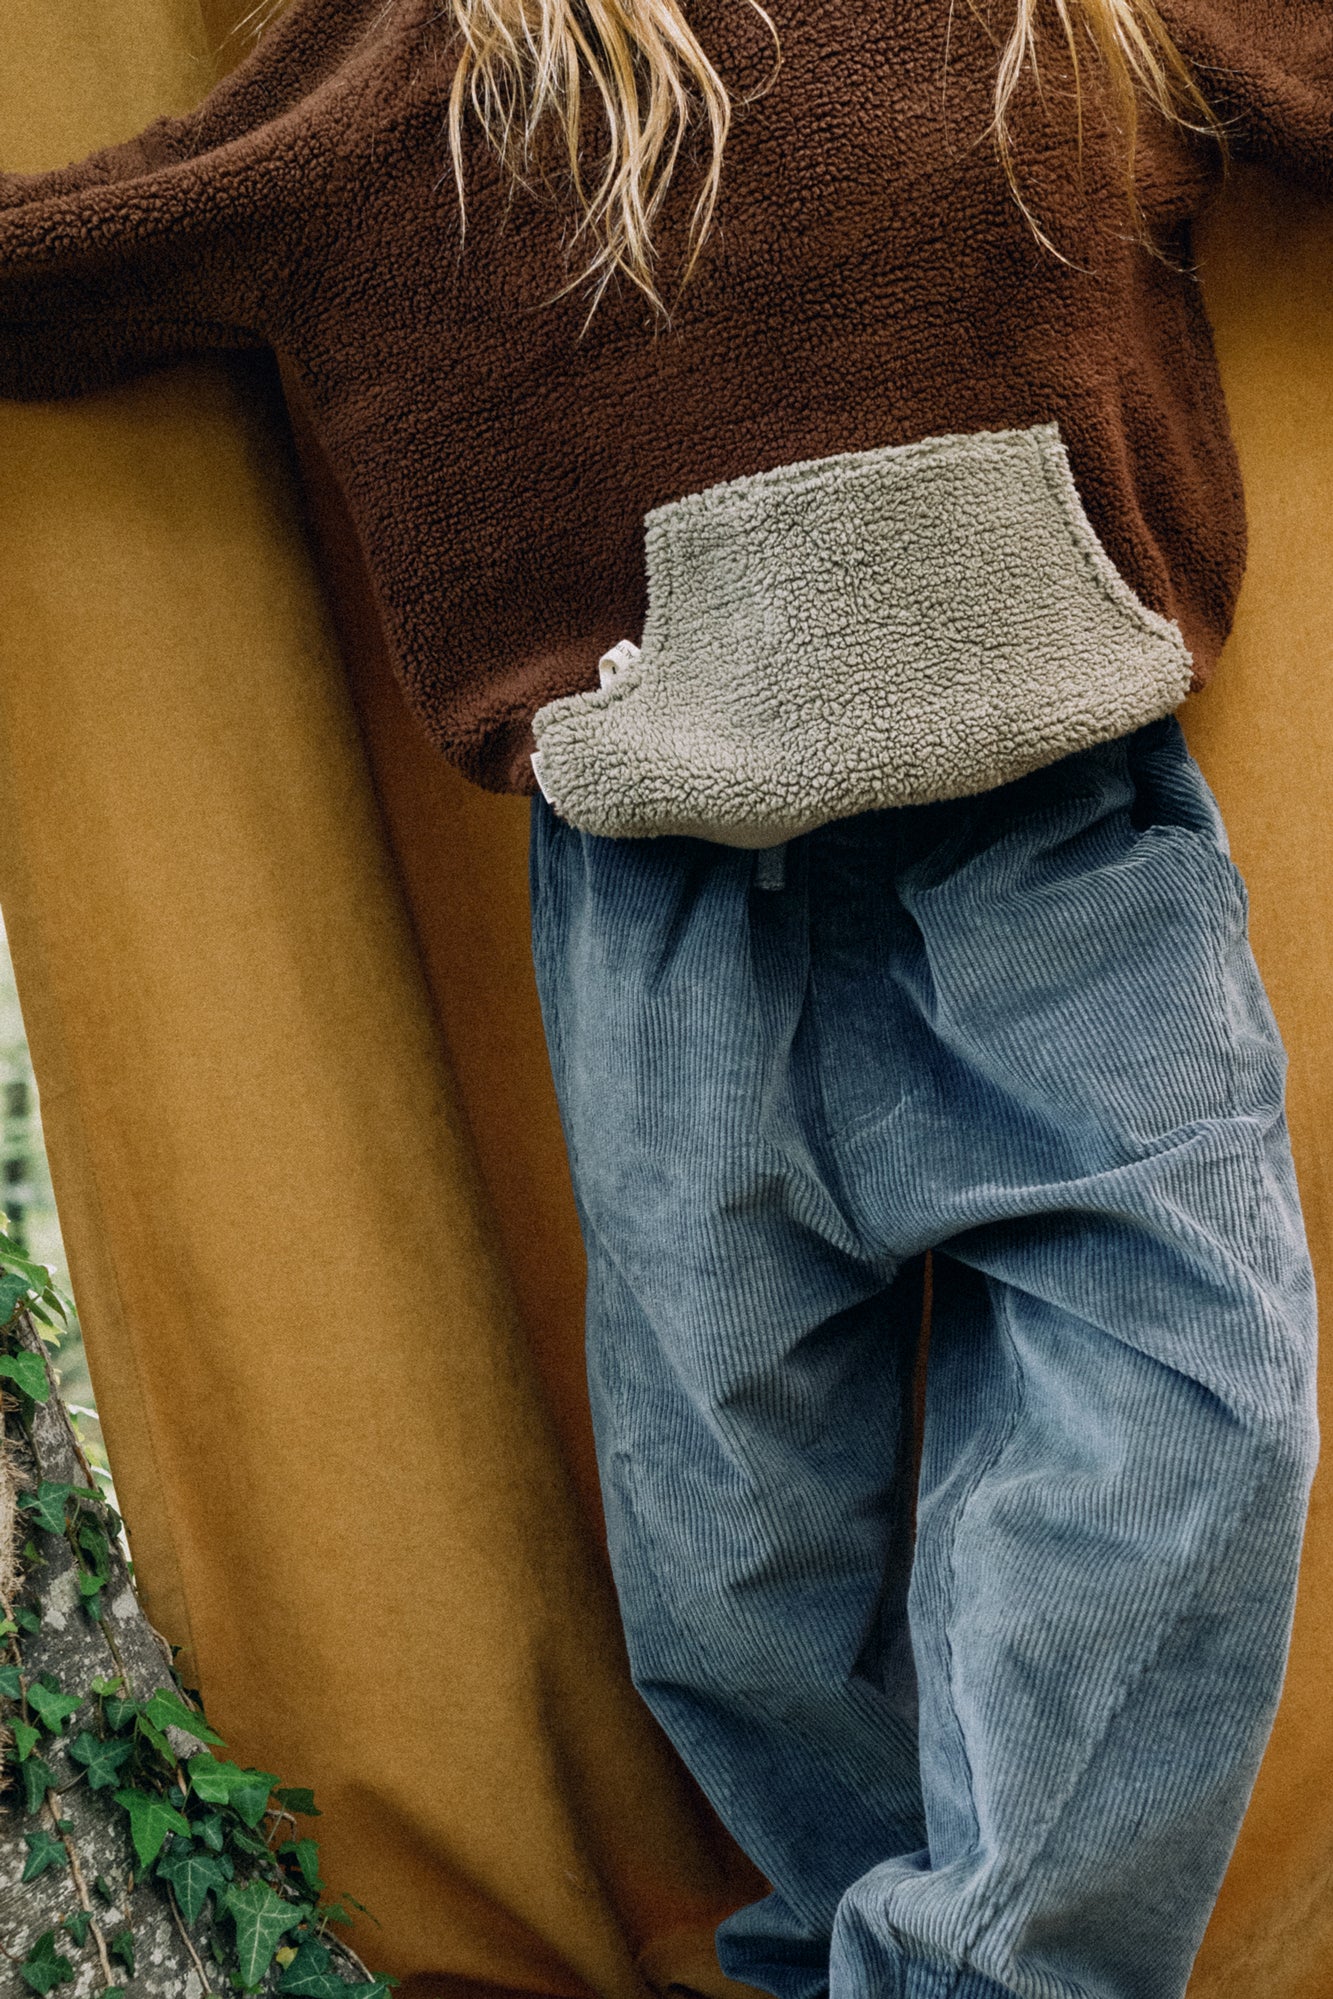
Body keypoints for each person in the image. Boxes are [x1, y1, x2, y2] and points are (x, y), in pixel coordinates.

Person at [0, 1, 1325, 1993]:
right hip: (668, 889)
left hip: (1062, 840)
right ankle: (847, 1952)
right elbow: (115, 241)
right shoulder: (424, 55)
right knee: (732, 1541)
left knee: (1190, 1425)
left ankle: (981, 1976)